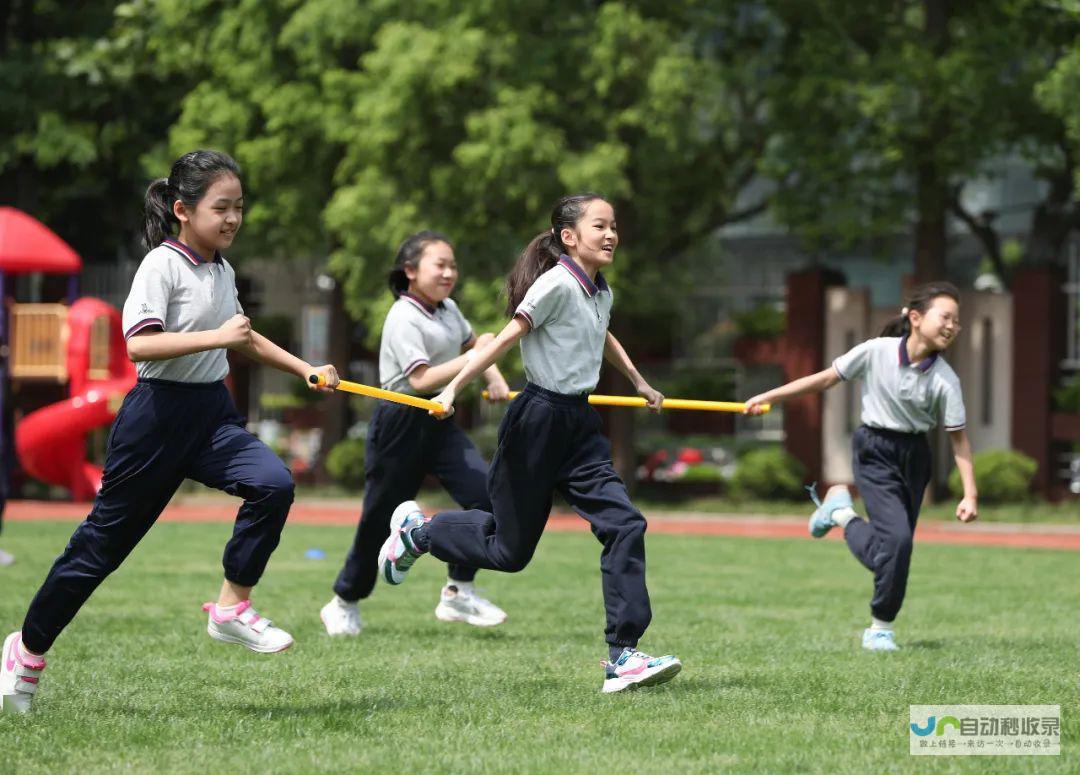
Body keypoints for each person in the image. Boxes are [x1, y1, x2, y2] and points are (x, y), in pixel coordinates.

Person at [0, 149, 339, 714]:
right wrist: (217, 339)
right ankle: (27, 651)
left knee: (273, 482)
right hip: (155, 419)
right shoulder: (162, 265)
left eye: (239, 208)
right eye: (221, 208)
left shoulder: (222, 269)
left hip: (210, 415)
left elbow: (244, 337)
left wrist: (303, 367)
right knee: (99, 550)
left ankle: (232, 608)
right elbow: (139, 344)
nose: (232, 219)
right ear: (184, 210)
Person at [376, 194, 682, 693]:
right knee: (508, 551)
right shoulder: (555, 284)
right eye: (598, 226)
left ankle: (622, 656)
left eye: (613, 227)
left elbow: (604, 335)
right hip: (536, 422)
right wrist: (452, 388)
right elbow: (500, 339)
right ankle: (418, 533)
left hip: (579, 426)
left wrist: (639, 382)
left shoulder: (599, 290)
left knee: (625, 523)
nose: (610, 235)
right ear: (569, 236)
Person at [744, 281, 978, 652]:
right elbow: (824, 379)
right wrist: (768, 395)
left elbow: (958, 439)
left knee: (895, 550)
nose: (952, 326)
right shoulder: (875, 352)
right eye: (945, 317)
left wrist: (969, 493)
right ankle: (879, 629)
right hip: (875, 451)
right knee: (898, 543)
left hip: (914, 457)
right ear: (916, 318)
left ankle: (841, 515)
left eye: (957, 321)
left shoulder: (946, 381)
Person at [321, 230, 510, 636]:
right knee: (377, 520)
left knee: (485, 495)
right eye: (439, 265)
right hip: (400, 421)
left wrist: (492, 374)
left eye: (452, 266)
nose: (448, 273)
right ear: (410, 271)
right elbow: (422, 378)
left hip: (440, 421)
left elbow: (478, 344)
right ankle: (343, 600)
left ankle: (458, 591)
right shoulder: (402, 316)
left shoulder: (448, 309)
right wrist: (475, 359)